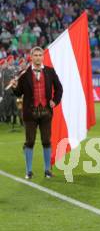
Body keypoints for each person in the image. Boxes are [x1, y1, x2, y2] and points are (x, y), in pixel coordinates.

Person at [10, 46, 63, 179]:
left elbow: (59, 88)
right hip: (30, 113)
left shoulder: (50, 72)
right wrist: (15, 87)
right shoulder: (24, 73)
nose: (38, 57)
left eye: (40, 55)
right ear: (31, 57)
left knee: (46, 141)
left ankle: (47, 170)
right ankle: (28, 171)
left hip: (46, 112)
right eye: (36, 55)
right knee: (30, 141)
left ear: (43, 57)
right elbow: (18, 92)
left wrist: (55, 101)